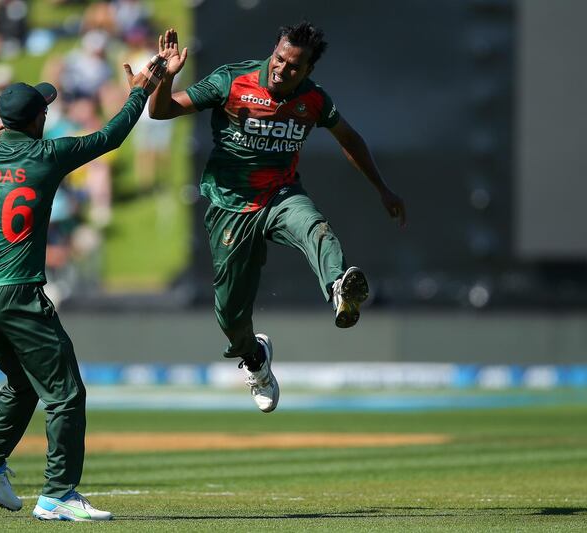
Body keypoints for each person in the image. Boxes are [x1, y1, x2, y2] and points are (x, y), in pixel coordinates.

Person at [0, 55, 166, 521]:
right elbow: (110, 137)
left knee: (23, 384)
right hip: (19, 292)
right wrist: (141, 91)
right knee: (66, 393)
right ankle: (58, 494)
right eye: (45, 107)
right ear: (39, 119)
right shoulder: (47, 155)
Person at [149, 23, 407, 413]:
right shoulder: (231, 80)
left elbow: (350, 139)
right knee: (230, 316)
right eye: (280, 59)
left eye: (293, 67)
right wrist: (166, 79)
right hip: (231, 206)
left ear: (307, 72)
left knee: (314, 226)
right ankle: (254, 359)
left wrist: (382, 188)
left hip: (281, 195)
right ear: (274, 49)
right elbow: (161, 110)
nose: (281, 70)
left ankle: (339, 287)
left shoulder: (314, 100)